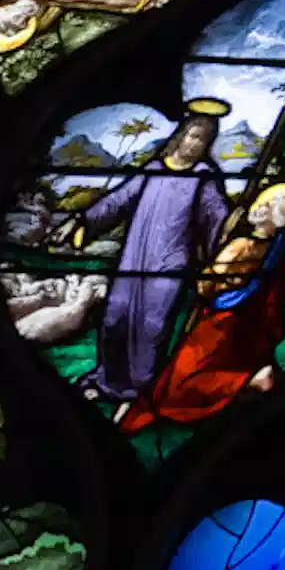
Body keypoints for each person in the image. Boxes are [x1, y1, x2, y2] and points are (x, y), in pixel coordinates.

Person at [83, 98, 231, 405]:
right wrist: (84, 221)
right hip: (133, 260)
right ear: (181, 135)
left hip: (169, 266)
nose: (196, 144)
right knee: (114, 319)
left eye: (204, 140)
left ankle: (138, 389)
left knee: (151, 328)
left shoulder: (204, 177)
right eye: (193, 136)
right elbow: (118, 200)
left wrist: (223, 255)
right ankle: (108, 379)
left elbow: (217, 221)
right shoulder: (153, 169)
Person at [124, 179, 285, 432]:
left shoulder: (242, 245)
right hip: (246, 323)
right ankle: (247, 385)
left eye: (265, 205)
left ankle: (250, 382)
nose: (258, 206)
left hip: (221, 321)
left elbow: (208, 284)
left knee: (182, 381)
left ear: (272, 218)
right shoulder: (277, 250)